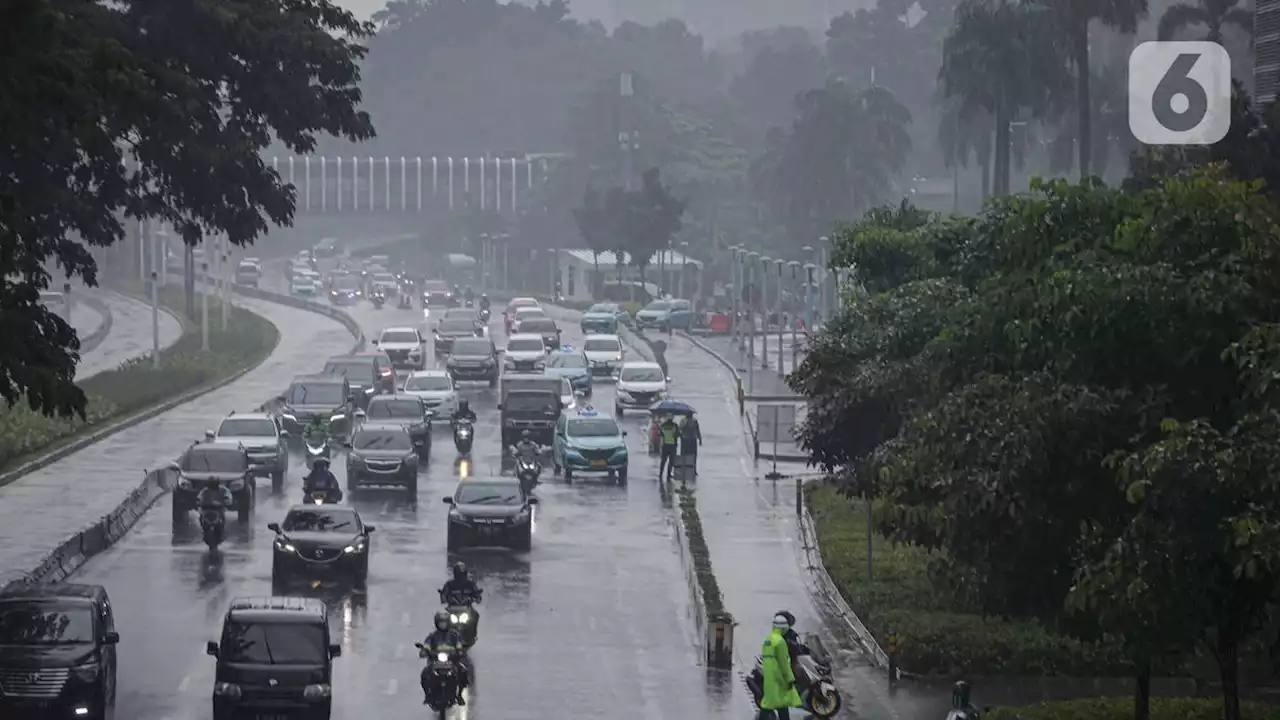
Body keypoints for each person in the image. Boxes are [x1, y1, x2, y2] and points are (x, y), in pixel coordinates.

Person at [759, 614, 803, 719]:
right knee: (780, 704)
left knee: (770, 704)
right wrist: (790, 679)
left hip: (769, 679)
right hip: (779, 680)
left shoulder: (768, 640)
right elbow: (784, 663)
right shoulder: (780, 642)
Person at [420, 610, 467, 706]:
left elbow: (459, 645)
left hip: (452, 660)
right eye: (441, 623)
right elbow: (427, 645)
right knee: (424, 674)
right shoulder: (433, 635)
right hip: (436, 661)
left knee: (463, 671)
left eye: (444, 623)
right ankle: (428, 695)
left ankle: (459, 695)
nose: (443, 625)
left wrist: (460, 651)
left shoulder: (454, 635)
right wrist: (424, 651)